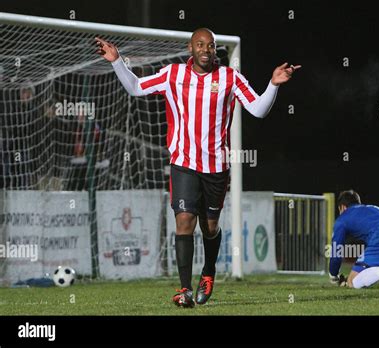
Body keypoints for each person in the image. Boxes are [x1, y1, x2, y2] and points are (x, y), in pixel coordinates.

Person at [96, 28, 301, 307]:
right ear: (190, 48)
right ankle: (184, 289)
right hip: (183, 163)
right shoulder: (173, 75)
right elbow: (135, 88)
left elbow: (258, 109)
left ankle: (208, 271)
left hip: (216, 167)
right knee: (184, 221)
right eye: (200, 44)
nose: (206, 49)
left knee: (210, 226)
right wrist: (117, 61)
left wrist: (274, 84)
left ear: (215, 50)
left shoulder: (229, 77)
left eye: (211, 45)